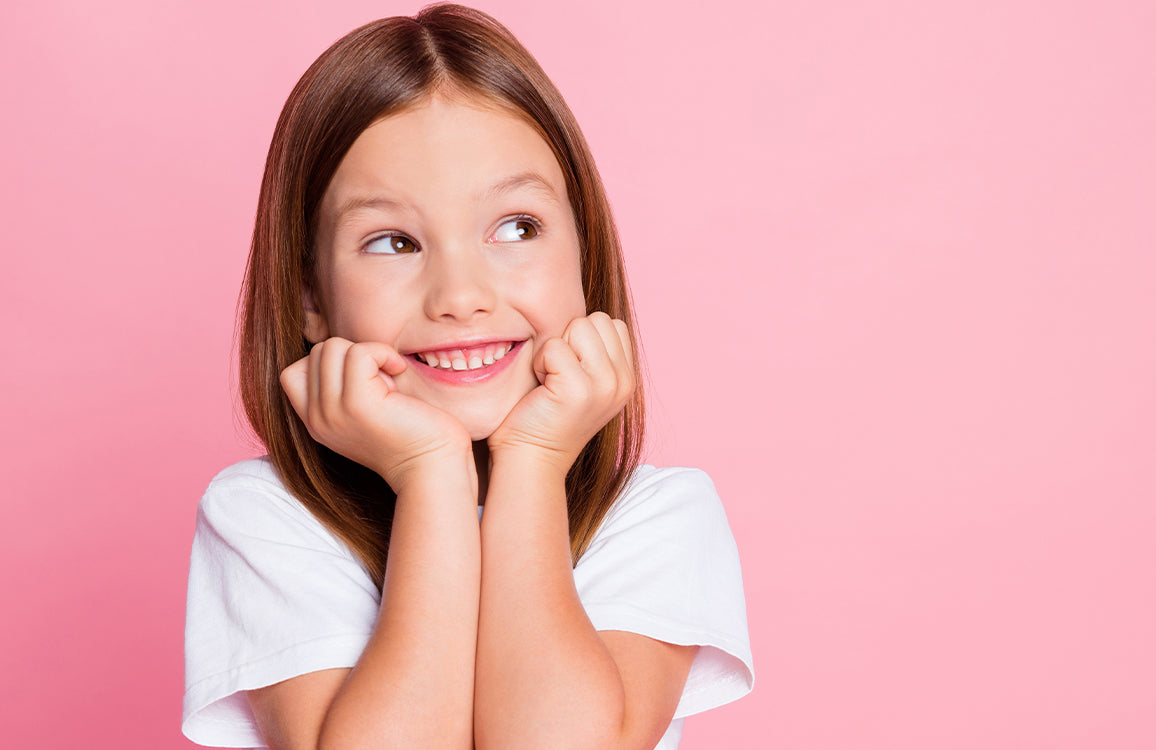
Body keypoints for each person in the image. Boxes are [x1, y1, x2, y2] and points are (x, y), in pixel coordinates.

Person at [180, 5, 753, 748]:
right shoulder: (266, 520)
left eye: (517, 228)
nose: (460, 296)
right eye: (393, 242)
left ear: (585, 254)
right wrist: (431, 477)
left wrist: (535, 463)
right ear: (310, 300)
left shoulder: (655, 521)